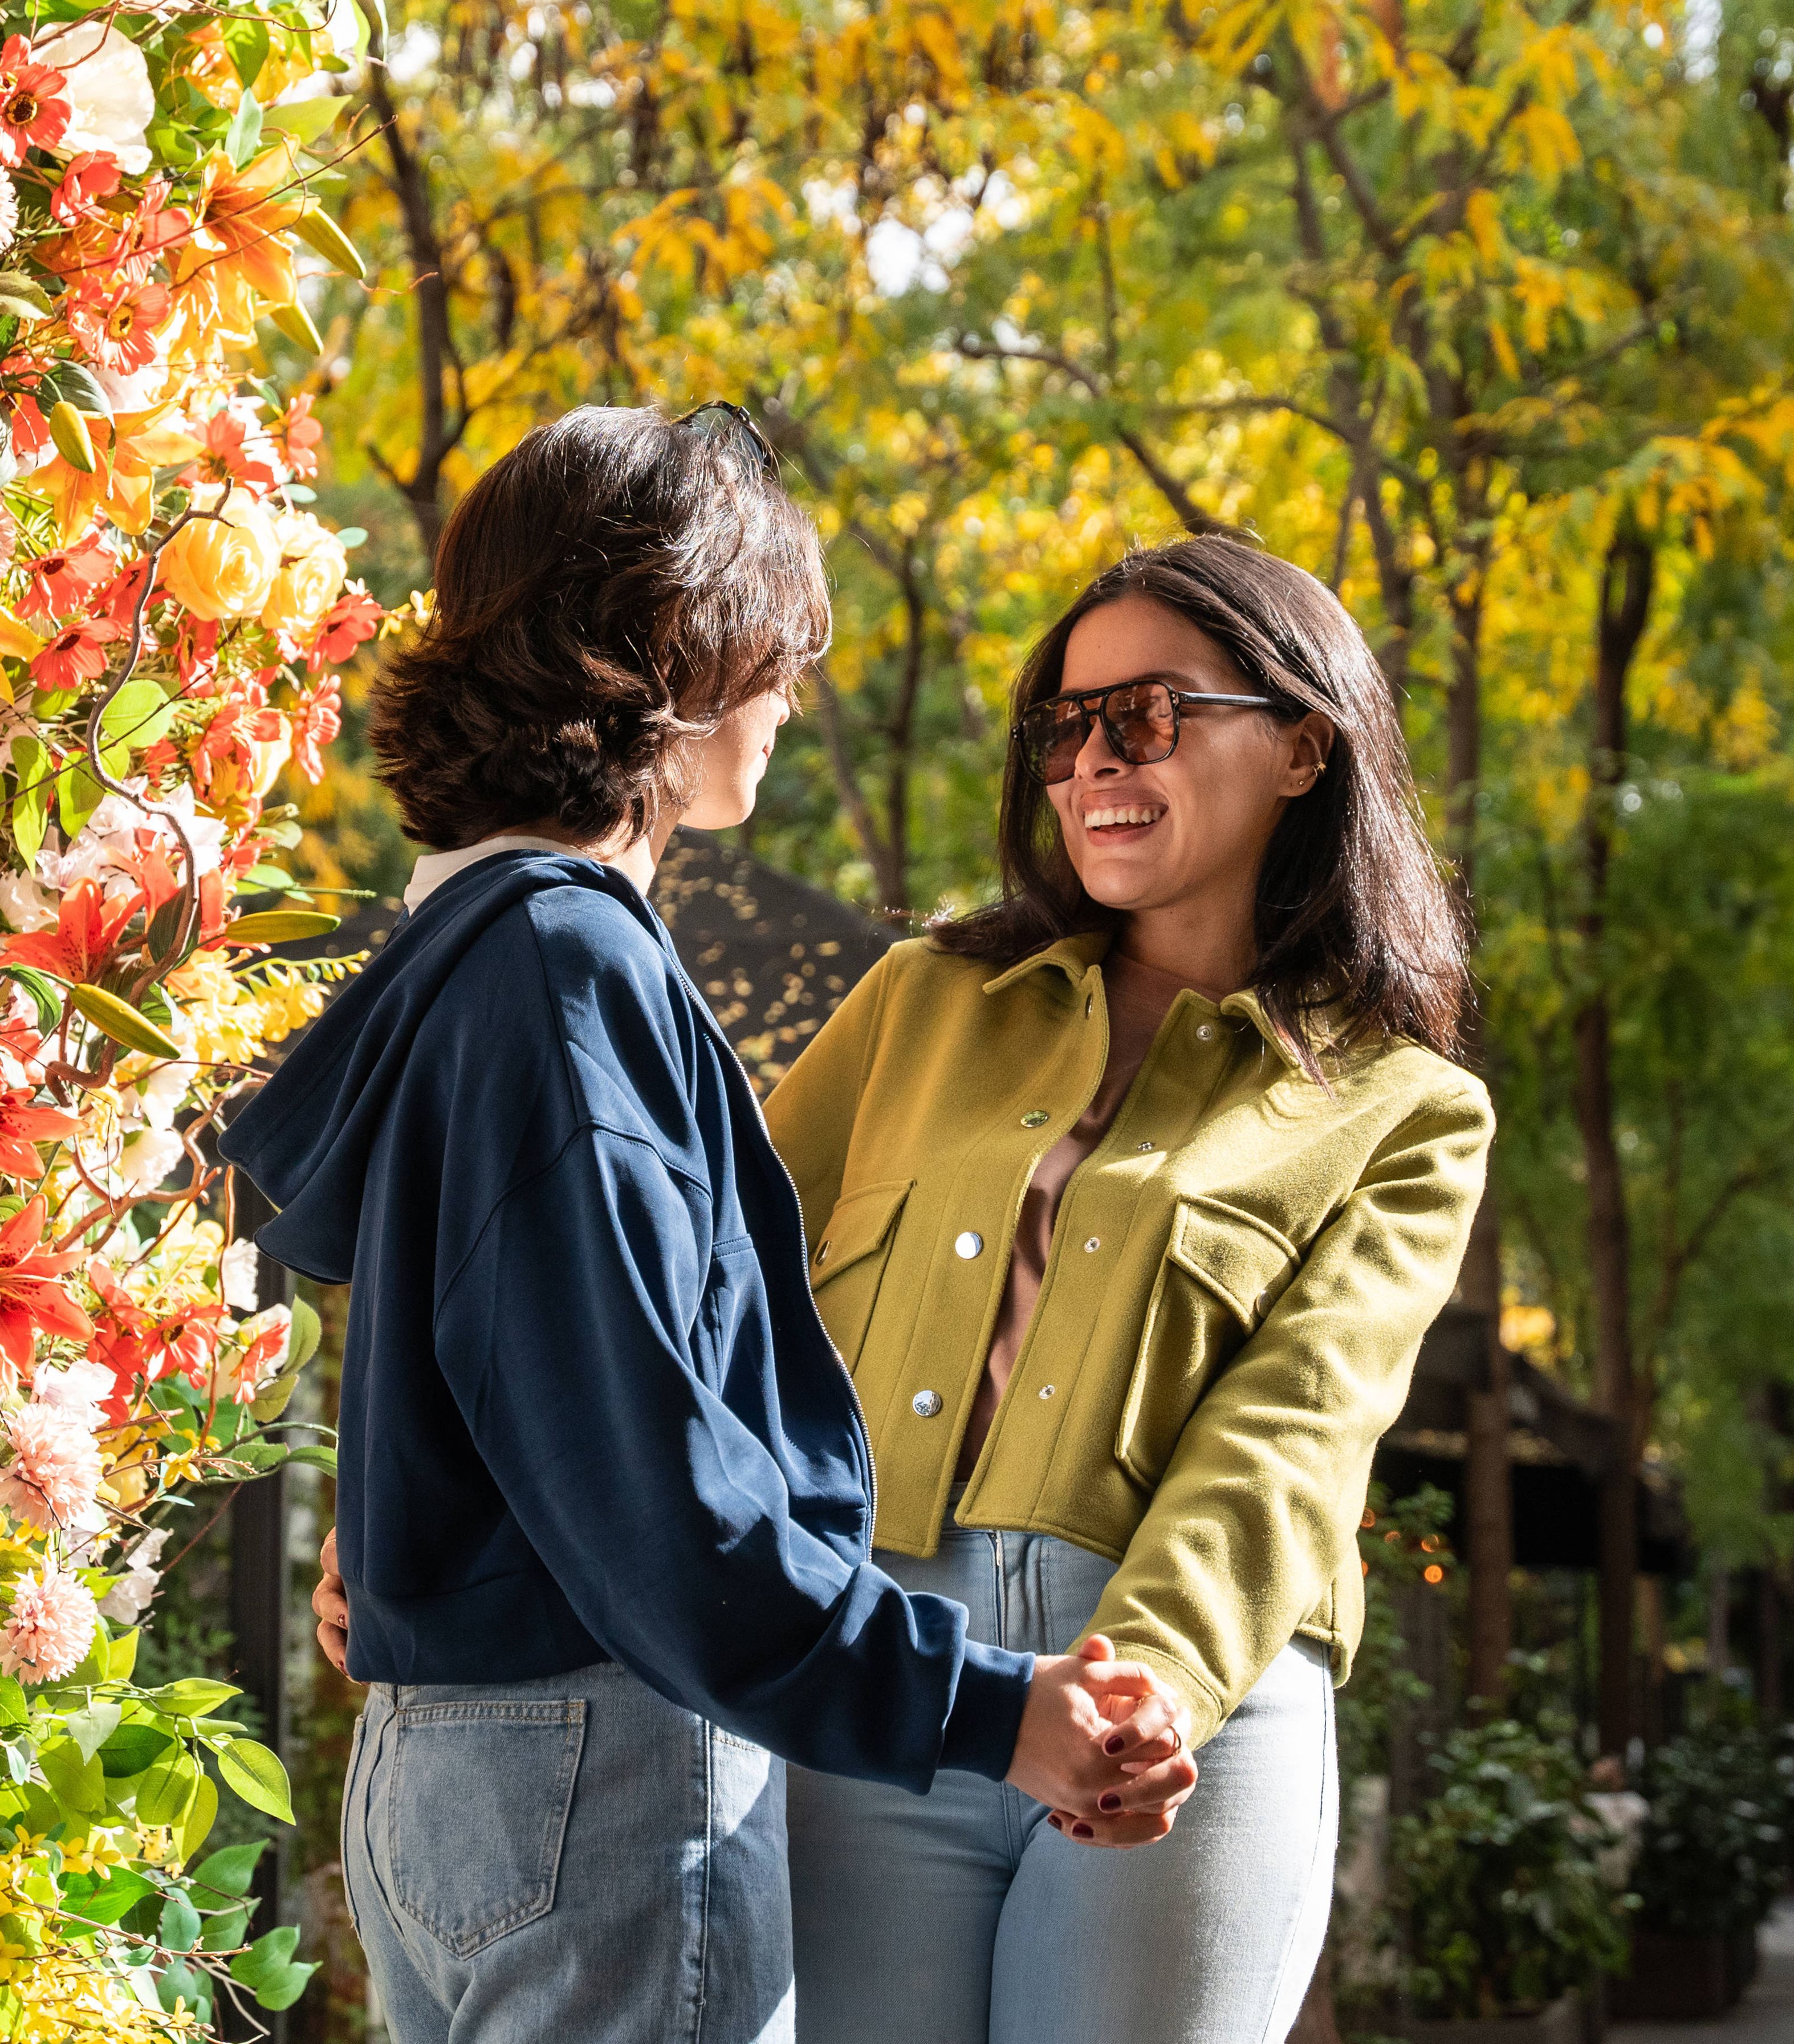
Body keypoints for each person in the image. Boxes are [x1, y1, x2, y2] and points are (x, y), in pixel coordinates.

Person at [229, 406, 1199, 2044]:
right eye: (774, 650)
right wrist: (987, 1710)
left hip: (444, 1770)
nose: (791, 699)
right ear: (674, 646)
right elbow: (653, 1476)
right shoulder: (563, 972)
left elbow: (519, 1383)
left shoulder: (460, 955)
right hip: (599, 1772)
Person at [762, 537, 1492, 2044]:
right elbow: (695, 1287)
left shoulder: (1408, 1111)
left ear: (1300, 746)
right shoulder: (921, 1003)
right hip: (888, 1673)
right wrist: (463, 1511)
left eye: (1148, 716)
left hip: (1189, 1711)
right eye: (1064, 727)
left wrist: (1141, 1694)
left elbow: (1293, 1440)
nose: (1093, 759)